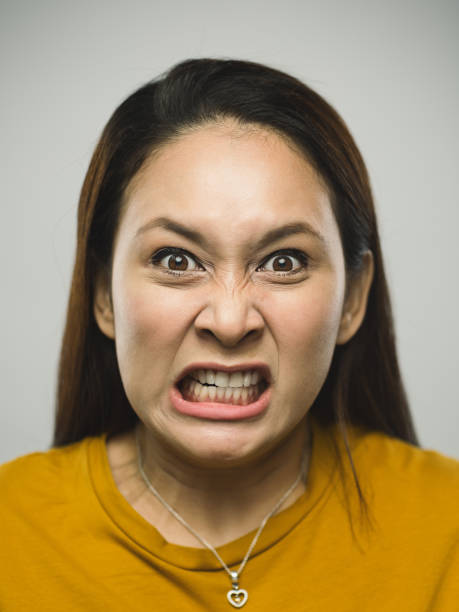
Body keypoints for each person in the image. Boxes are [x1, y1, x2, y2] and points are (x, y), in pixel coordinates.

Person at [1, 58, 458, 611]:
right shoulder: (13, 530)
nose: (230, 320)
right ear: (103, 295)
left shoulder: (445, 527)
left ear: (353, 300)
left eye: (284, 262)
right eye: (176, 259)